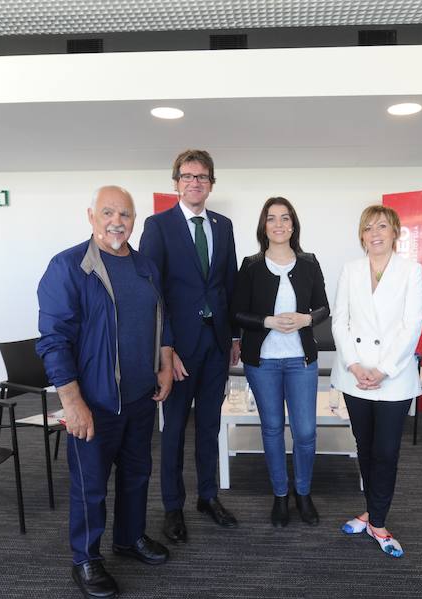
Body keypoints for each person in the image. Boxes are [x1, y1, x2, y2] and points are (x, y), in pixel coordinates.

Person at [37, 186, 174, 599]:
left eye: (126, 215)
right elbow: (53, 340)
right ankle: (85, 558)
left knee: (136, 475)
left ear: (135, 220)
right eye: (108, 213)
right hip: (94, 401)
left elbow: (160, 318)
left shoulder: (144, 265)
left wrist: (165, 365)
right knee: (90, 484)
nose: (117, 221)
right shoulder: (68, 267)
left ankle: (128, 538)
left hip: (139, 397)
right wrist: (72, 402)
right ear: (91, 216)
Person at [139, 149, 241, 543]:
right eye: (187, 176)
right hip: (178, 351)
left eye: (202, 176)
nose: (195, 182)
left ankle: (208, 497)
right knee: (175, 430)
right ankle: (172, 507)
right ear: (176, 183)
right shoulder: (158, 225)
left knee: (211, 426)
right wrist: (166, 349)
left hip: (215, 345)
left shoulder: (224, 224)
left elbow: (228, 283)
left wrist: (232, 336)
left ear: (211, 183)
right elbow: (153, 293)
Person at [331, 205, 422, 558]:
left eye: (382, 226)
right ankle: (371, 511)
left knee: (386, 452)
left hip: (393, 377)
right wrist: (355, 366)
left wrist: (383, 369)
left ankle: (379, 522)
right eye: (368, 227)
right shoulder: (351, 270)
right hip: (356, 376)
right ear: (362, 235)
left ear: (395, 231)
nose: (375, 233)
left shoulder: (411, 271)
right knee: (365, 447)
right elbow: (340, 321)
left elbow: (411, 324)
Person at [231, 197, 330, 527]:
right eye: (271, 218)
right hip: (264, 362)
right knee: (272, 429)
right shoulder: (251, 265)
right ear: (264, 226)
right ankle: (280, 495)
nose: (278, 224)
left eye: (285, 218)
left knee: (305, 431)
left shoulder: (309, 262)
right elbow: (237, 312)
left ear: (293, 225)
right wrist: (267, 322)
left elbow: (322, 308)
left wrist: (305, 319)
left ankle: (303, 493)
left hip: (300, 360)